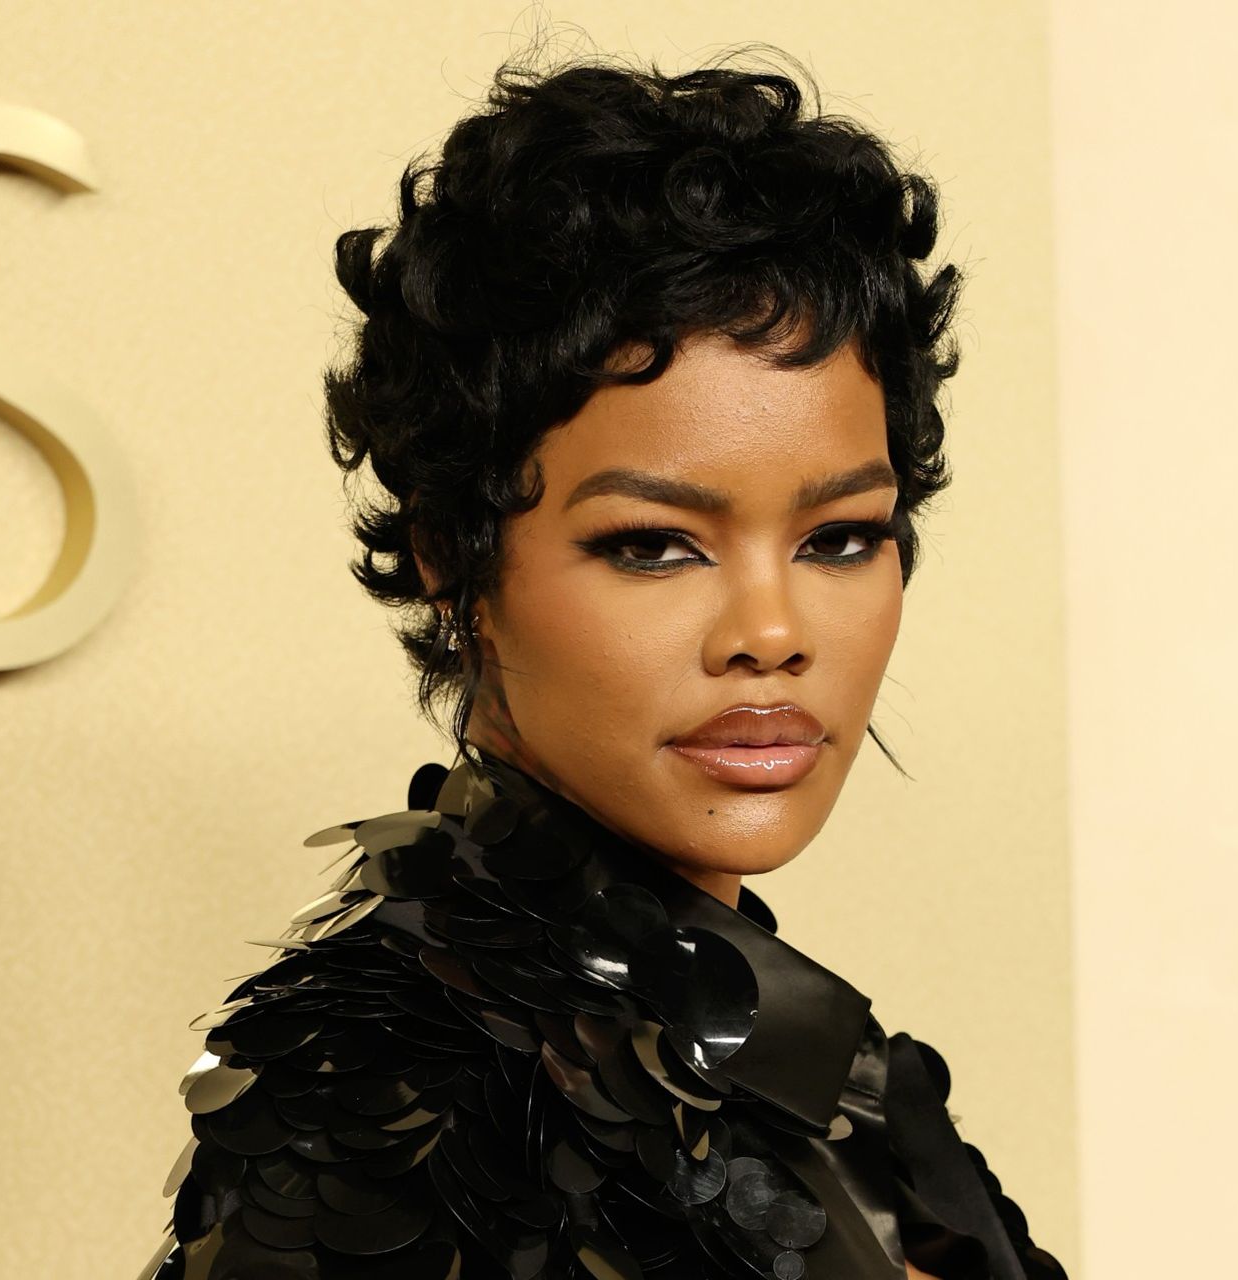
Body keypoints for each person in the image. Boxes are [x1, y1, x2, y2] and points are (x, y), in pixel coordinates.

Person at [138, 45, 1068, 1280]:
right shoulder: (375, 1103)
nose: (772, 630)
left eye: (839, 537)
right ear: (452, 559)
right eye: (652, 545)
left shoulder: (811, 1063)